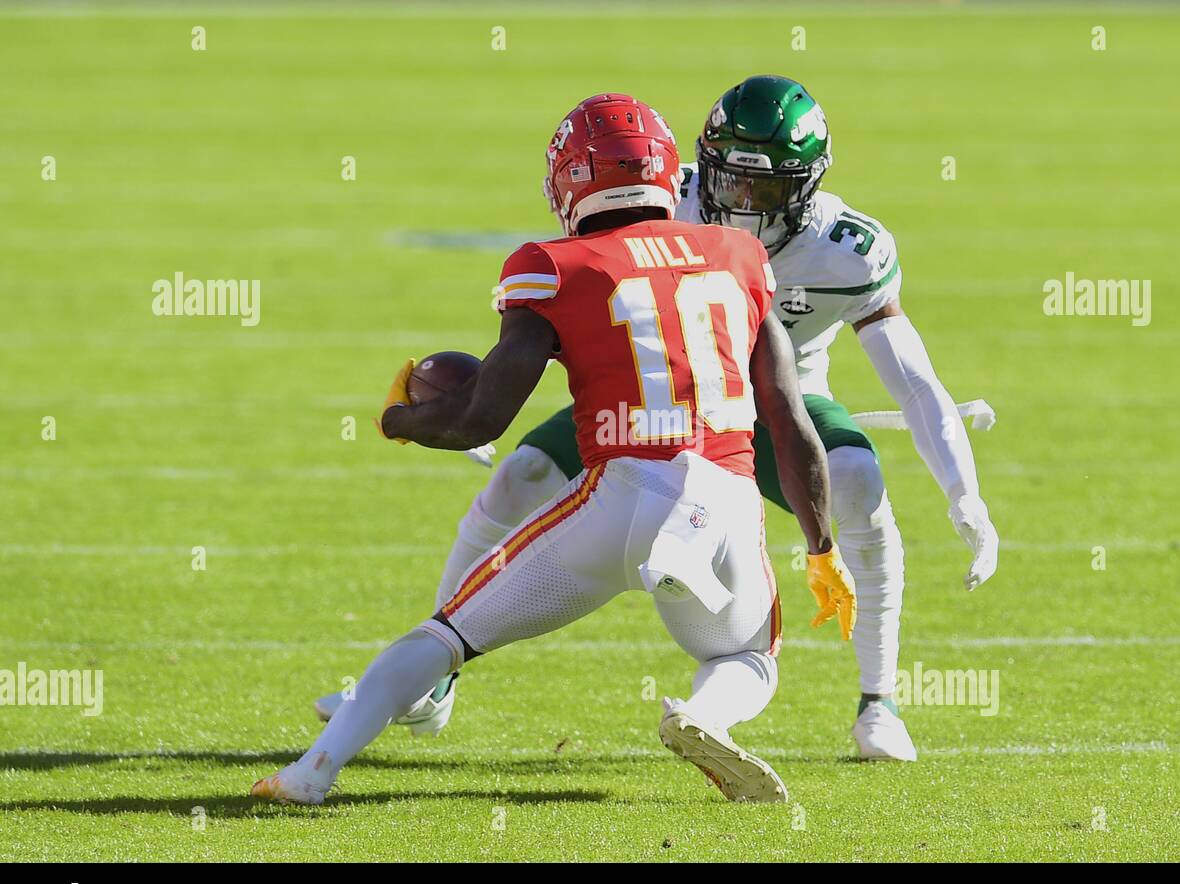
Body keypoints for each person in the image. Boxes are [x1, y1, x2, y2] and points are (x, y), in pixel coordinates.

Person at [317, 76, 999, 762]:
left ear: (807, 186)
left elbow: (914, 382)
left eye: (764, 189)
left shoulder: (847, 249)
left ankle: (878, 700)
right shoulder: (662, 194)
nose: (740, 202)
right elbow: (578, 298)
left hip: (772, 405)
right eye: (730, 181)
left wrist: (963, 492)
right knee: (522, 472)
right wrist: (476, 406)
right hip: (660, 398)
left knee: (854, 478)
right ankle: (435, 683)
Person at [254, 93, 856, 805]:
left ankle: (311, 772)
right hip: (722, 500)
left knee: (447, 635)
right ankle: (703, 715)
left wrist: (399, 420)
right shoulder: (739, 256)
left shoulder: (554, 264)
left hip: (621, 495)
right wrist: (822, 548)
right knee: (747, 656)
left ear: (570, 181)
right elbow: (791, 424)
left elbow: (483, 419)